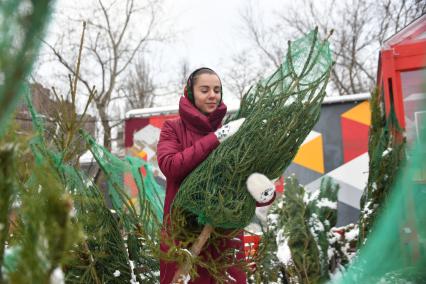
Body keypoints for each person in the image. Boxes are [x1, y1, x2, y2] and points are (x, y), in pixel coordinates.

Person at [157, 67, 276, 283]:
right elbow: (170, 166)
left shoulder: (234, 132)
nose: (213, 95)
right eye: (204, 90)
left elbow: (242, 187)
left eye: (217, 90)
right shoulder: (173, 128)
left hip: (225, 243)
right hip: (183, 239)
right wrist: (216, 138)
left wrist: (264, 192)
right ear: (190, 92)